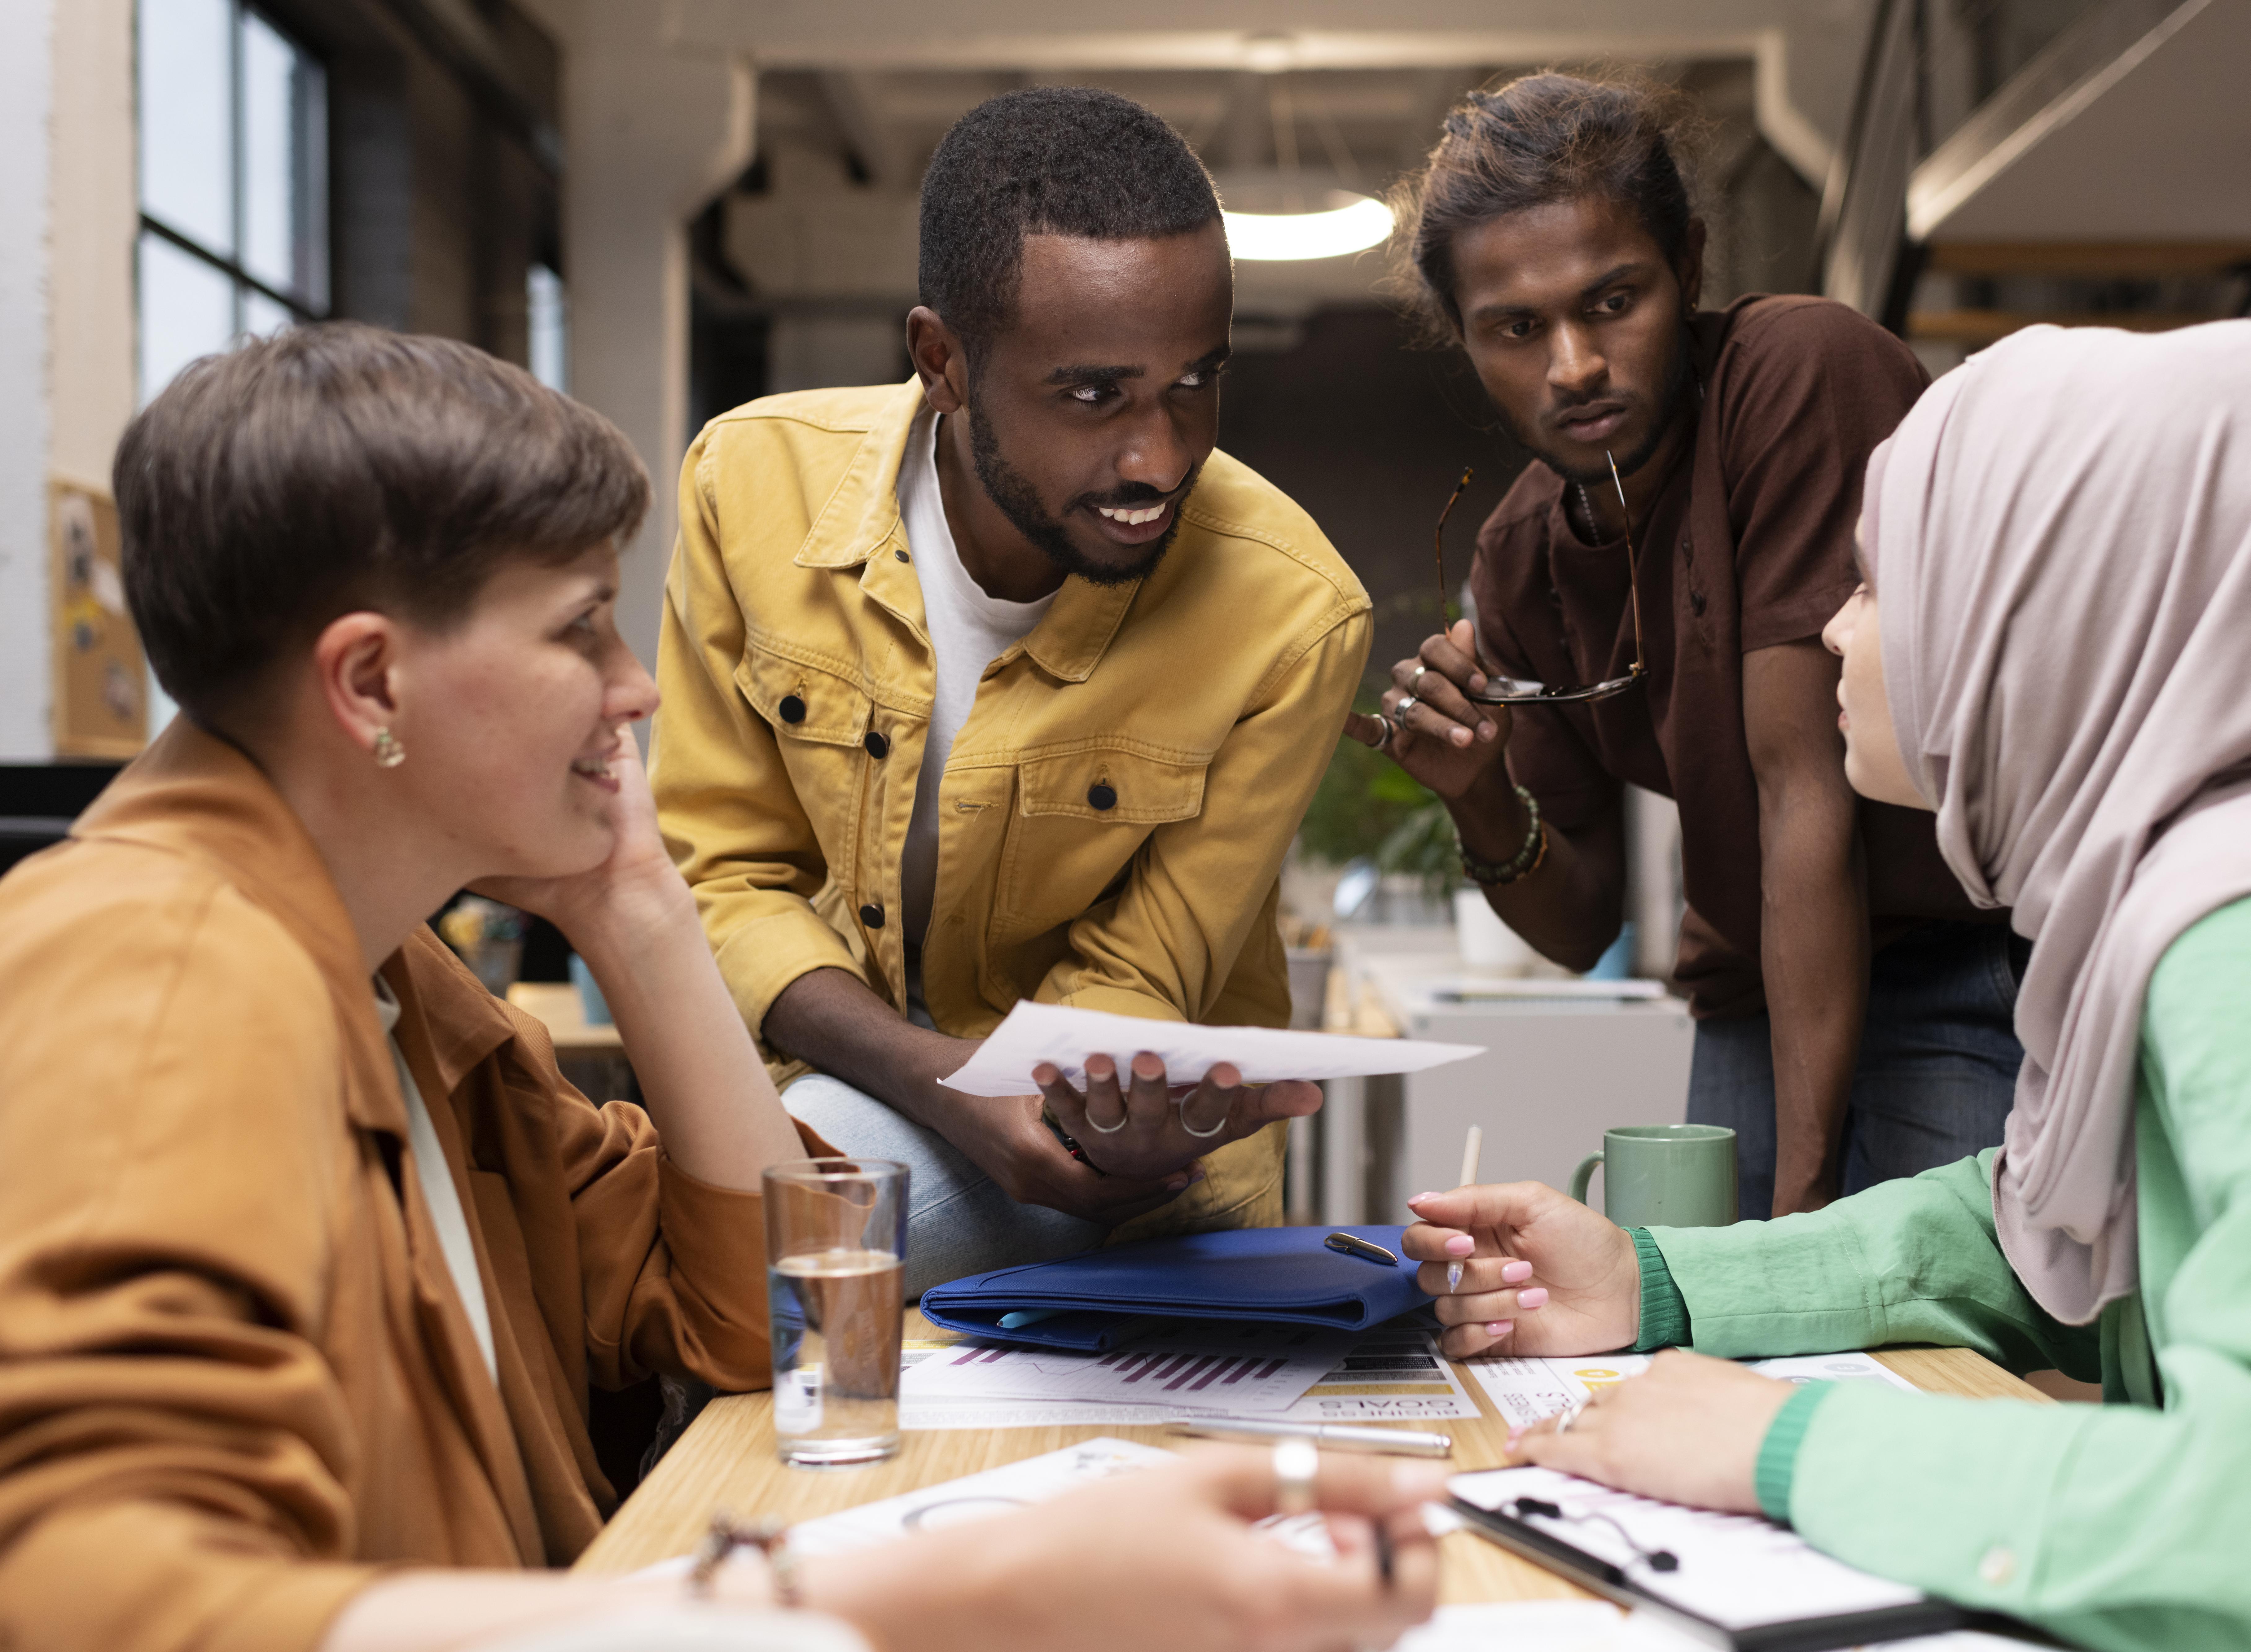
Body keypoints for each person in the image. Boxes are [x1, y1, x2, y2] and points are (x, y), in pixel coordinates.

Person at [0, 325, 1441, 1652]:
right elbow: (87, 1597)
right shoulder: (162, 961)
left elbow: (771, 1316)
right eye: (578, 629)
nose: (634, 688)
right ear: (370, 684)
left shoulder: (402, 982)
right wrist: (938, 1587)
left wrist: (640, 911)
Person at [1402, 320, 2251, 1647]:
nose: (1834, 632)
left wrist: (1790, 1444)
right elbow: (2037, 1229)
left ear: (2053, 608)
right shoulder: (2192, 890)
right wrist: (1651, 1276)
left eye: (1878, 580)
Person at [655, 87, 1370, 1290]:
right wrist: (939, 1080)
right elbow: (723, 878)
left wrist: (1060, 1104)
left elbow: (1139, 976)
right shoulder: (750, 485)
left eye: (1196, 381)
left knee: (785, 1247)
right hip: (835, 1119)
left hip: (1130, 1188)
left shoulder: (1290, 609)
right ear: (943, 360)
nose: (1158, 457)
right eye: (1093, 394)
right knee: (760, 1251)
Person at [1357, 72, 2020, 1218]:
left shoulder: (1799, 374)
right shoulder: (1521, 556)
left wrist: (1796, 1228)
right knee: (1724, 1365)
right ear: (1466, 344)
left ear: (1692, 266)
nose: (1572, 365)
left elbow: (1800, 790)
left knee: (1930, 1368)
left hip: (1952, 966)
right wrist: (1476, 797)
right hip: (1752, 1000)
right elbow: (1580, 925)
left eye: (1614, 302)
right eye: (1517, 329)